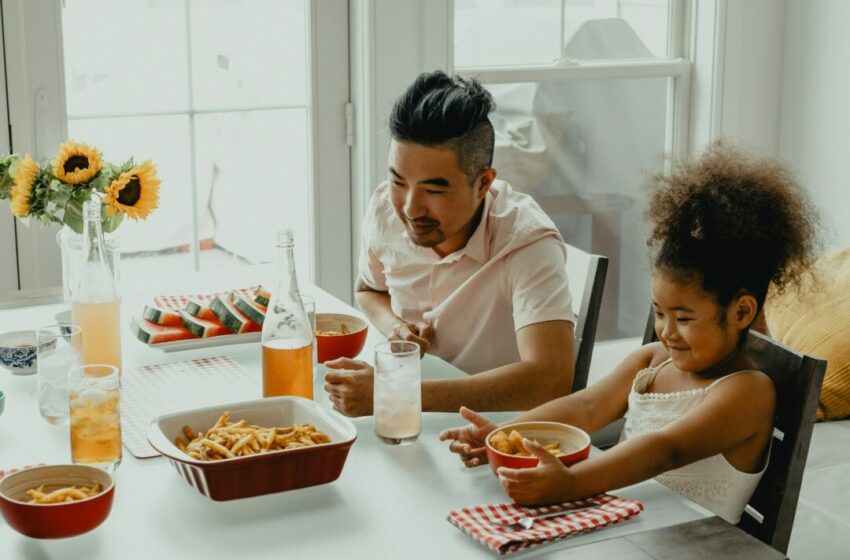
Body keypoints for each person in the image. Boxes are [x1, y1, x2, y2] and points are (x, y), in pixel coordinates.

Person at [439, 142, 819, 524]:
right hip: (622, 528)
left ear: (740, 312)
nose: (667, 332)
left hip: (696, 548)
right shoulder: (651, 364)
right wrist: (505, 433)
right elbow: (586, 407)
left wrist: (569, 483)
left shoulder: (746, 392)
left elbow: (664, 449)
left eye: (684, 319)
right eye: (659, 312)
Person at [324, 70, 576, 417]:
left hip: (496, 429)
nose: (410, 207)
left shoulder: (527, 244)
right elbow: (368, 290)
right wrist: (395, 326)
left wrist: (397, 393)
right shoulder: (385, 207)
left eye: (434, 190)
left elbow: (550, 379)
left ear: (484, 183)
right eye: (398, 180)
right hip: (408, 418)